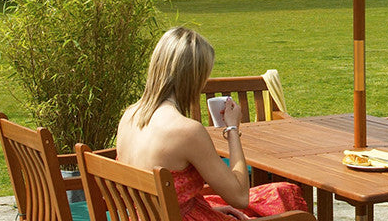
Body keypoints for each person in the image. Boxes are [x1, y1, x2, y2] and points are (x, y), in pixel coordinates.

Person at [117, 27, 307, 220]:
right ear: (194, 78)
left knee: (279, 191)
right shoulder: (186, 131)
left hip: (151, 215)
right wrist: (232, 129)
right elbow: (240, 197)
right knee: (287, 197)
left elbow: (164, 198)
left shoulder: (129, 116)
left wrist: (206, 209)